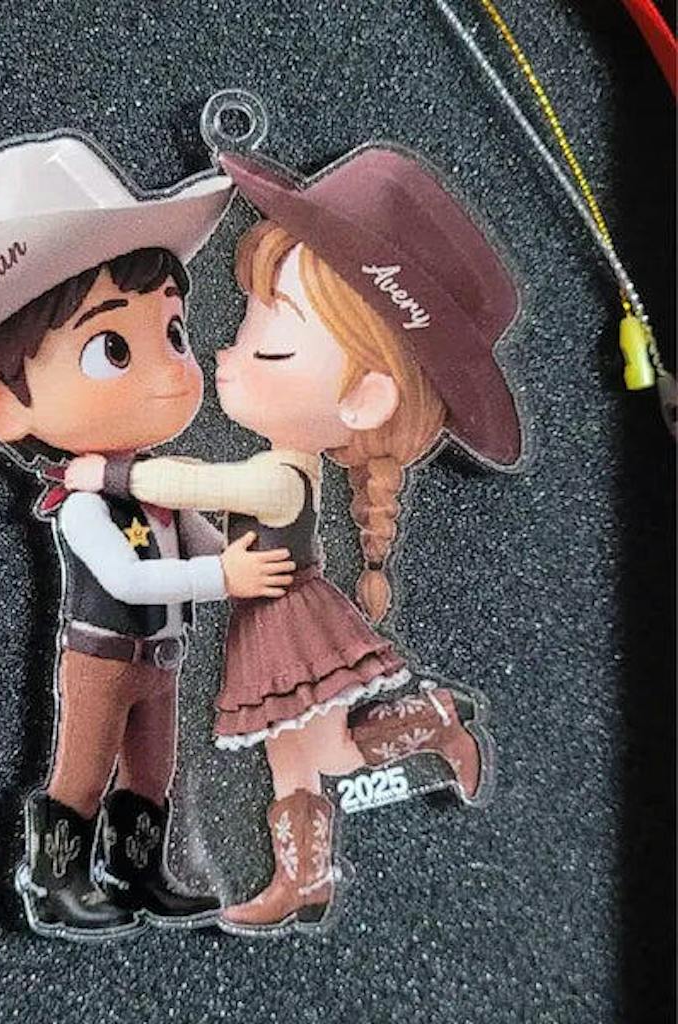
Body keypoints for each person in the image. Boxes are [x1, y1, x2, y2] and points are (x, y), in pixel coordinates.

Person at [0, 135, 293, 940]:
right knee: (82, 772)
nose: (172, 370)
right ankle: (55, 882)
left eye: (174, 334)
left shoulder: (153, 485)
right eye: (113, 349)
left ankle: (137, 871)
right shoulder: (82, 506)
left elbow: (198, 537)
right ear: (4, 408)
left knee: (150, 774)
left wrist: (248, 549)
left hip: (163, 658)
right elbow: (131, 578)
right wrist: (224, 581)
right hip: (103, 657)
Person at [66, 144, 523, 933]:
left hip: (287, 626)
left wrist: (112, 476)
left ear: (364, 399)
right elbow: (205, 514)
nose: (228, 355)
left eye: (269, 347)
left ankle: (431, 723)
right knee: (296, 755)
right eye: (246, 331)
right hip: (268, 624)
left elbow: (198, 487)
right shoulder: (279, 469)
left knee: (329, 751)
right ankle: (301, 880)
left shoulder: (279, 476)